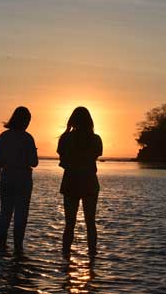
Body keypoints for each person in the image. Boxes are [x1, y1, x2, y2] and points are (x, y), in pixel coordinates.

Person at [0, 106, 38, 254]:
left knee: (5, 214)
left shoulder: (3, 137)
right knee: (21, 216)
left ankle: (1, 247)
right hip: (23, 180)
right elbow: (34, 162)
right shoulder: (28, 138)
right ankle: (18, 247)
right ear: (25, 121)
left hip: (6, 178)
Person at [57, 107, 102, 257]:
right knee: (90, 223)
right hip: (89, 182)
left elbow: (62, 162)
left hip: (70, 181)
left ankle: (65, 256)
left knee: (69, 224)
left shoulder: (65, 139)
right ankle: (92, 257)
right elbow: (95, 157)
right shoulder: (96, 139)